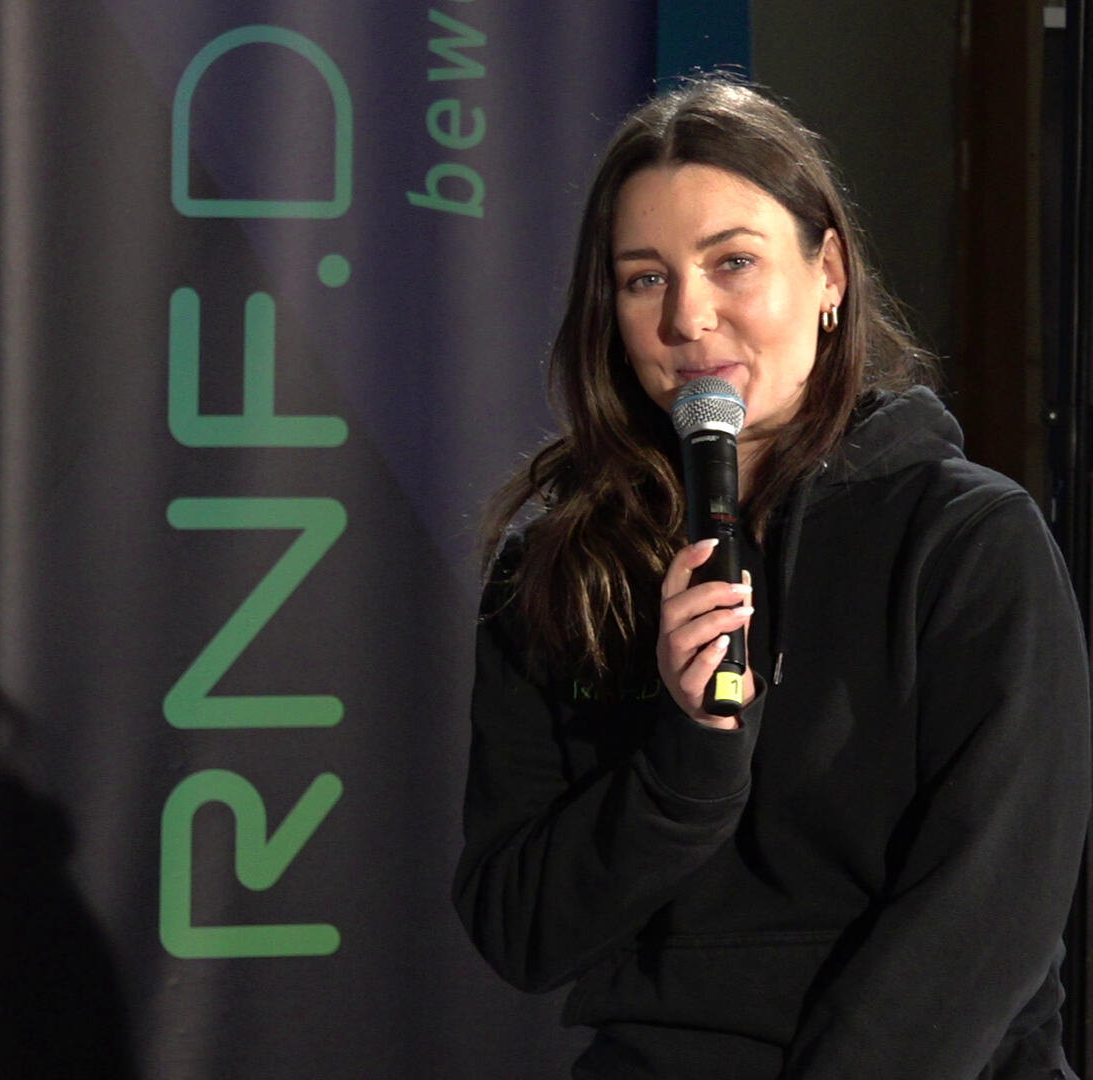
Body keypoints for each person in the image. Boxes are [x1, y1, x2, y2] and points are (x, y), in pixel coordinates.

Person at [453, 76, 1092, 1079]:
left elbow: (990, 911)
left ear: (827, 273)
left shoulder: (967, 540)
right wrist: (686, 763)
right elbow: (519, 927)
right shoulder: (559, 569)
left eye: (732, 263)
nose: (689, 317)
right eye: (643, 279)